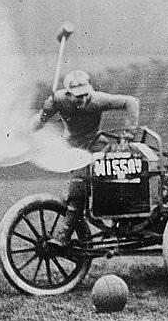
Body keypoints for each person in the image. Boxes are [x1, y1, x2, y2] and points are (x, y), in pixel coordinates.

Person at [32, 70, 140, 247]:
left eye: (85, 94)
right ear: (68, 94)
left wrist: (128, 134)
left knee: (86, 181)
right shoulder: (58, 99)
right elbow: (36, 124)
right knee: (79, 186)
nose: (82, 100)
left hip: (94, 144)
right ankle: (72, 227)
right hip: (72, 148)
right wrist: (44, 113)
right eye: (77, 96)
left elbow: (132, 102)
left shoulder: (97, 99)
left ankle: (66, 234)